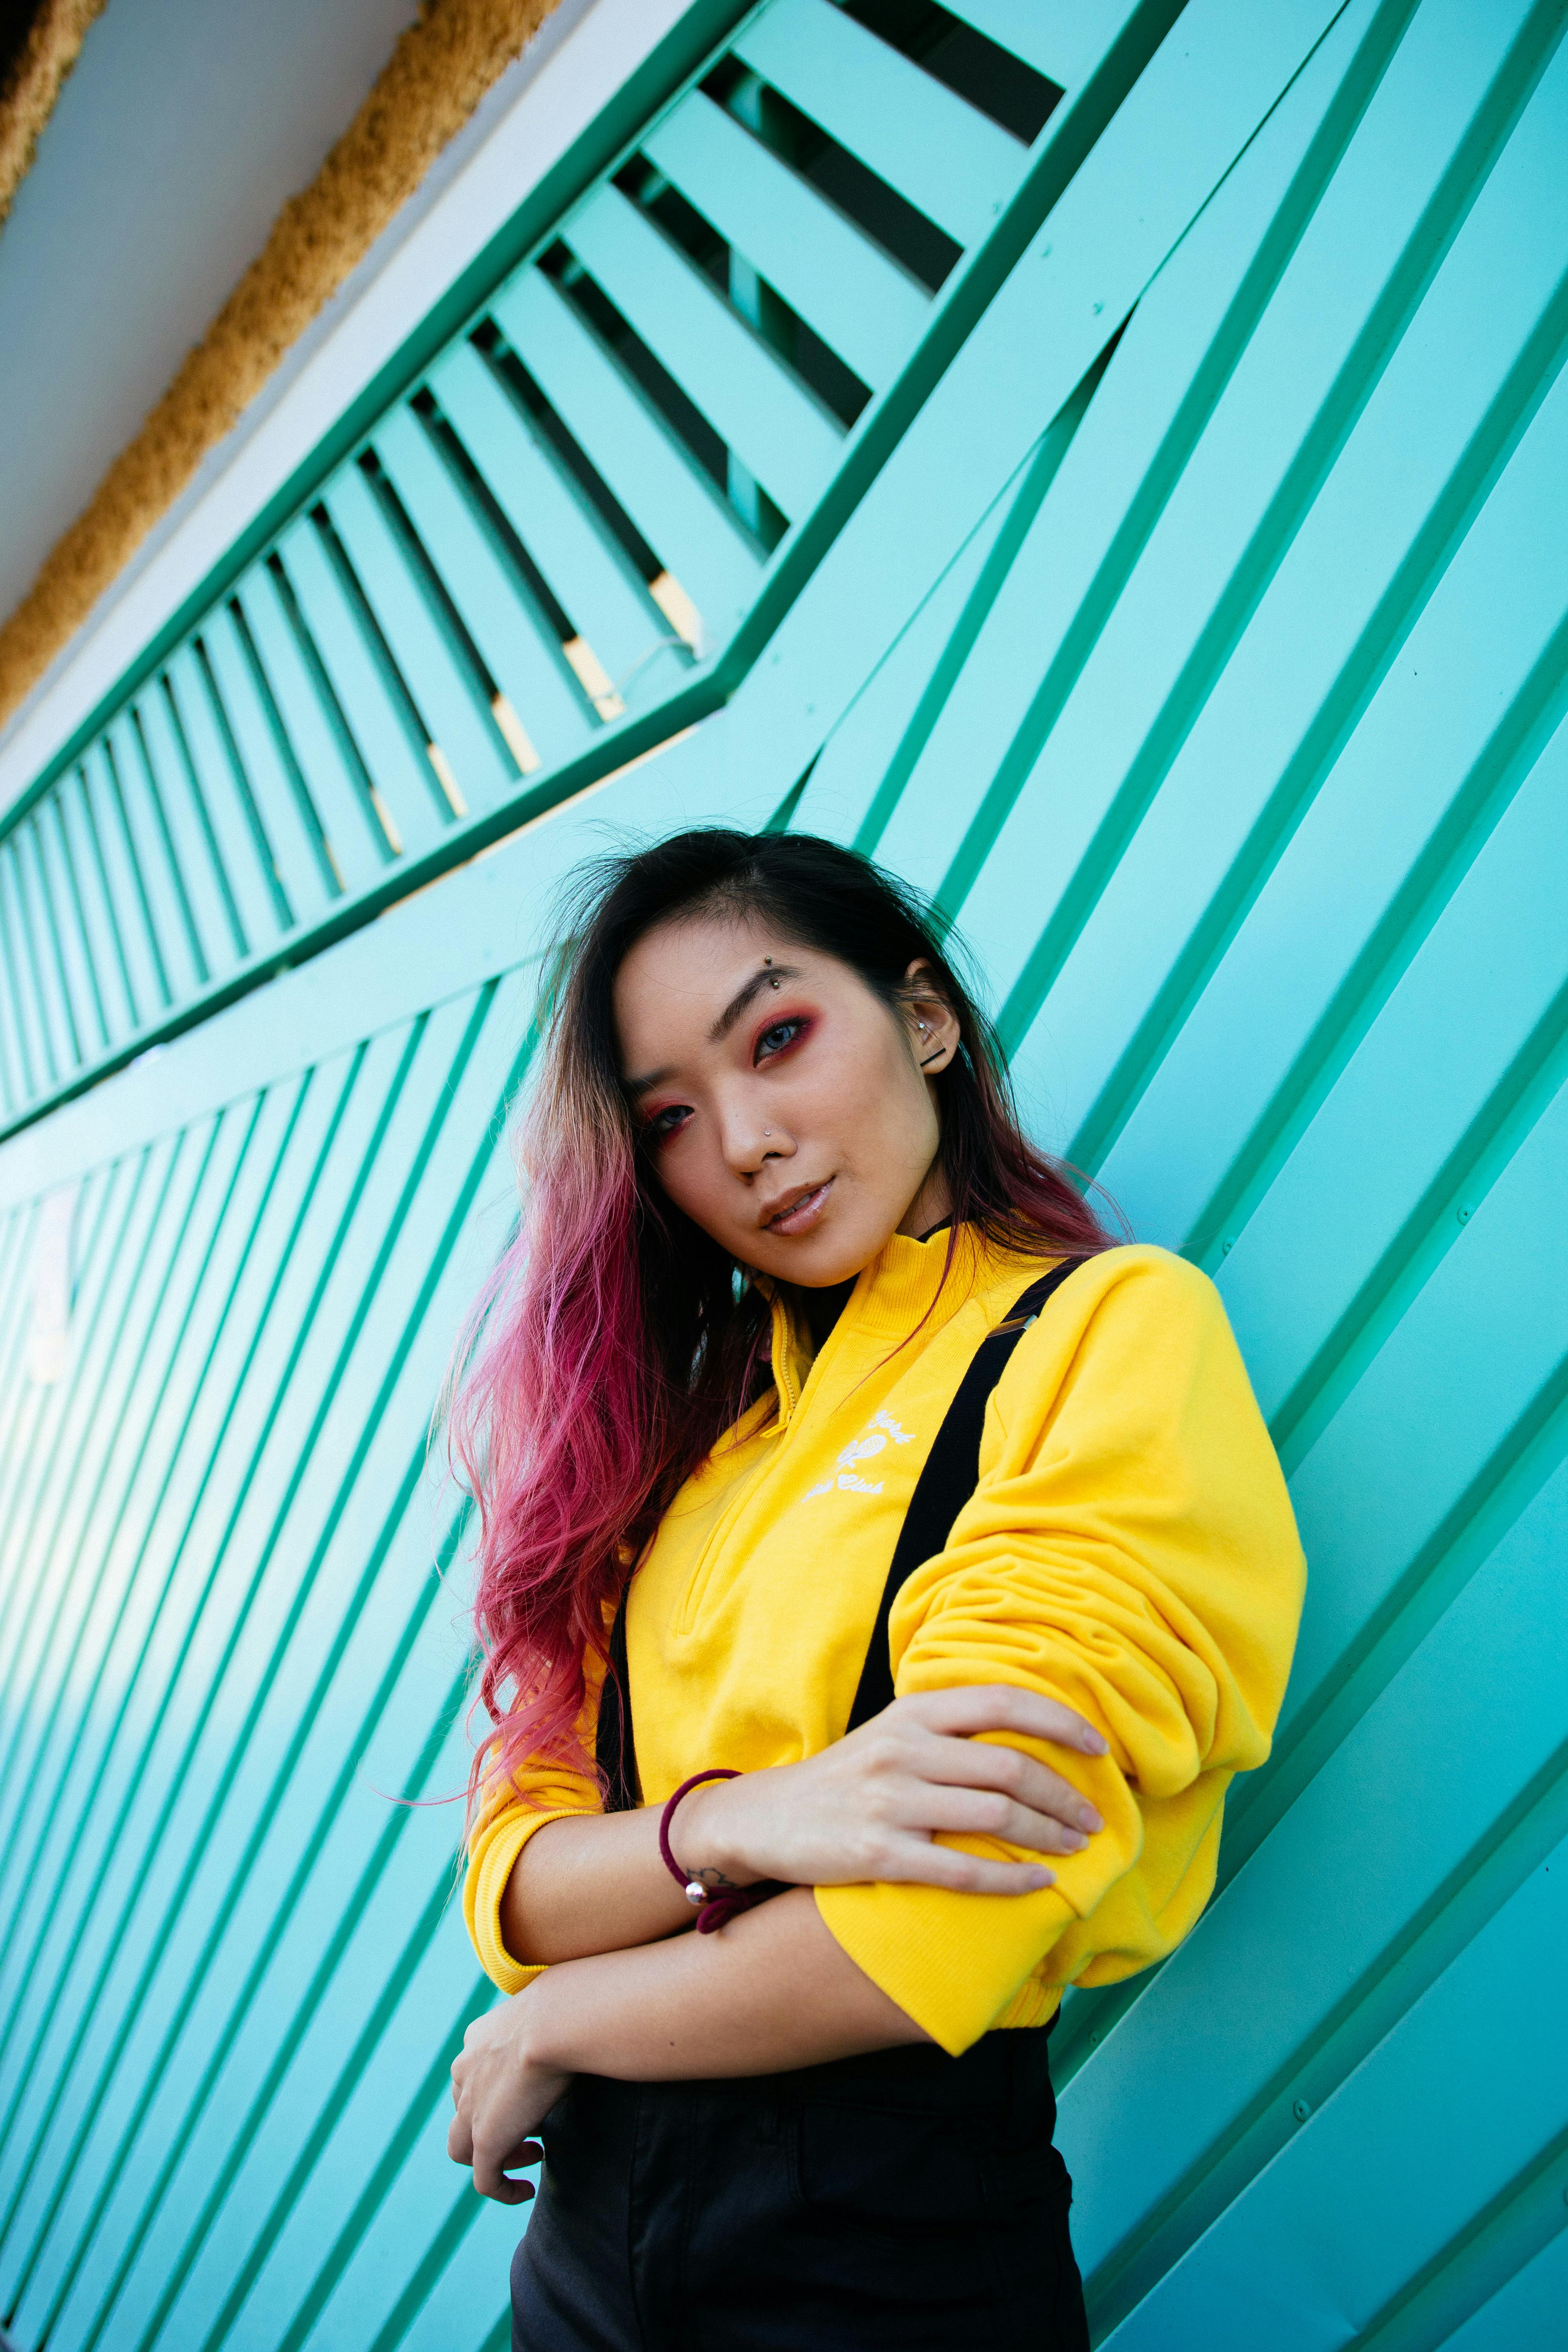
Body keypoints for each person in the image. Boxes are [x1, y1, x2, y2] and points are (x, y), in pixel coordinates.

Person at [445, 828, 1305, 2350]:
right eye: (671, 1119)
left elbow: (935, 1923)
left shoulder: (1097, 1335)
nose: (749, 1143)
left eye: (777, 1038)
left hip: (875, 2261)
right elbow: (516, 1882)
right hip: (579, 2264)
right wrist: (737, 1820)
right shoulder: (689, 1463)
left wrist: (559, 2017)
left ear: (924, 1016)